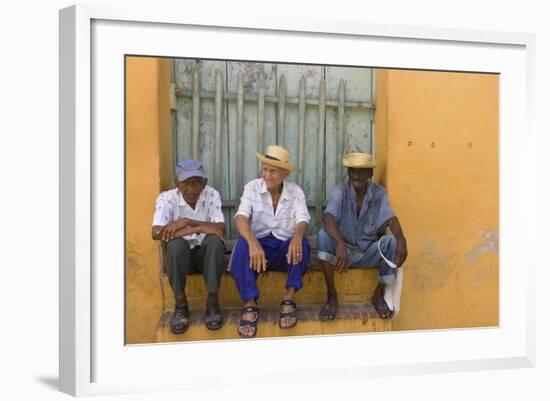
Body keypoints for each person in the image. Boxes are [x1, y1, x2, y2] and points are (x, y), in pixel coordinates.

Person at [230, 145, 311, 338]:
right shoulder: (252, 188)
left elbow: (302, 219)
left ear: (284, 174)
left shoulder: (296, 192)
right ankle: (250, 303)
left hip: (284, 248)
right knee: (241, 246)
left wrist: (297, 238)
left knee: (303, 245)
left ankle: (288, 298)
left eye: (272, 171)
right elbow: (241, 218)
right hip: (258, 248)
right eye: (265, 169)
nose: (267, 175)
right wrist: (252, 242)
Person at [317, 152, 408, 321]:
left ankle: (378, 295)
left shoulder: (379, 193)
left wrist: (402, 240)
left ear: (370, 174)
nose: (356, 176)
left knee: (393, 242)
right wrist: (340, 243)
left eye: (361, 171)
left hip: (367, 252)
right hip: (342, 255)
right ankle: (331, 295)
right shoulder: (341, 190)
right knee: (323, 236)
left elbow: (391, 219)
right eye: (352, 171)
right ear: (348, 173)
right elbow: (328, 217)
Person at [152, 160, 226, 335]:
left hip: (205, 258)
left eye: (196, 182)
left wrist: (187, 223)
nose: (192, 188)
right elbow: (156, 232)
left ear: (204, 183)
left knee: (214, 242)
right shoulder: (167, 198)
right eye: (186, 183)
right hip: (182, 261)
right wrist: (201, 228)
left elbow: (221, 229)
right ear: (177, 184)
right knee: (176, 246)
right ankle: (181, 304)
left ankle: (213, 303)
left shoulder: (211, 195)